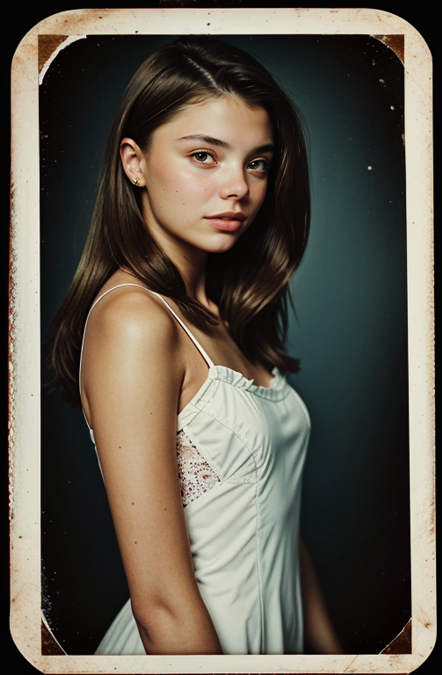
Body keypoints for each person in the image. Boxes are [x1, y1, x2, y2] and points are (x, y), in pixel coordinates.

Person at [47, 36, 341, 656]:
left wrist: (337, 656)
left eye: (257, 162)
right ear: (135, 162)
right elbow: (160, 603)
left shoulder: (223, 313)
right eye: (205, 156)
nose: (238, 186)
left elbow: (276, 520)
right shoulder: (134, 320)